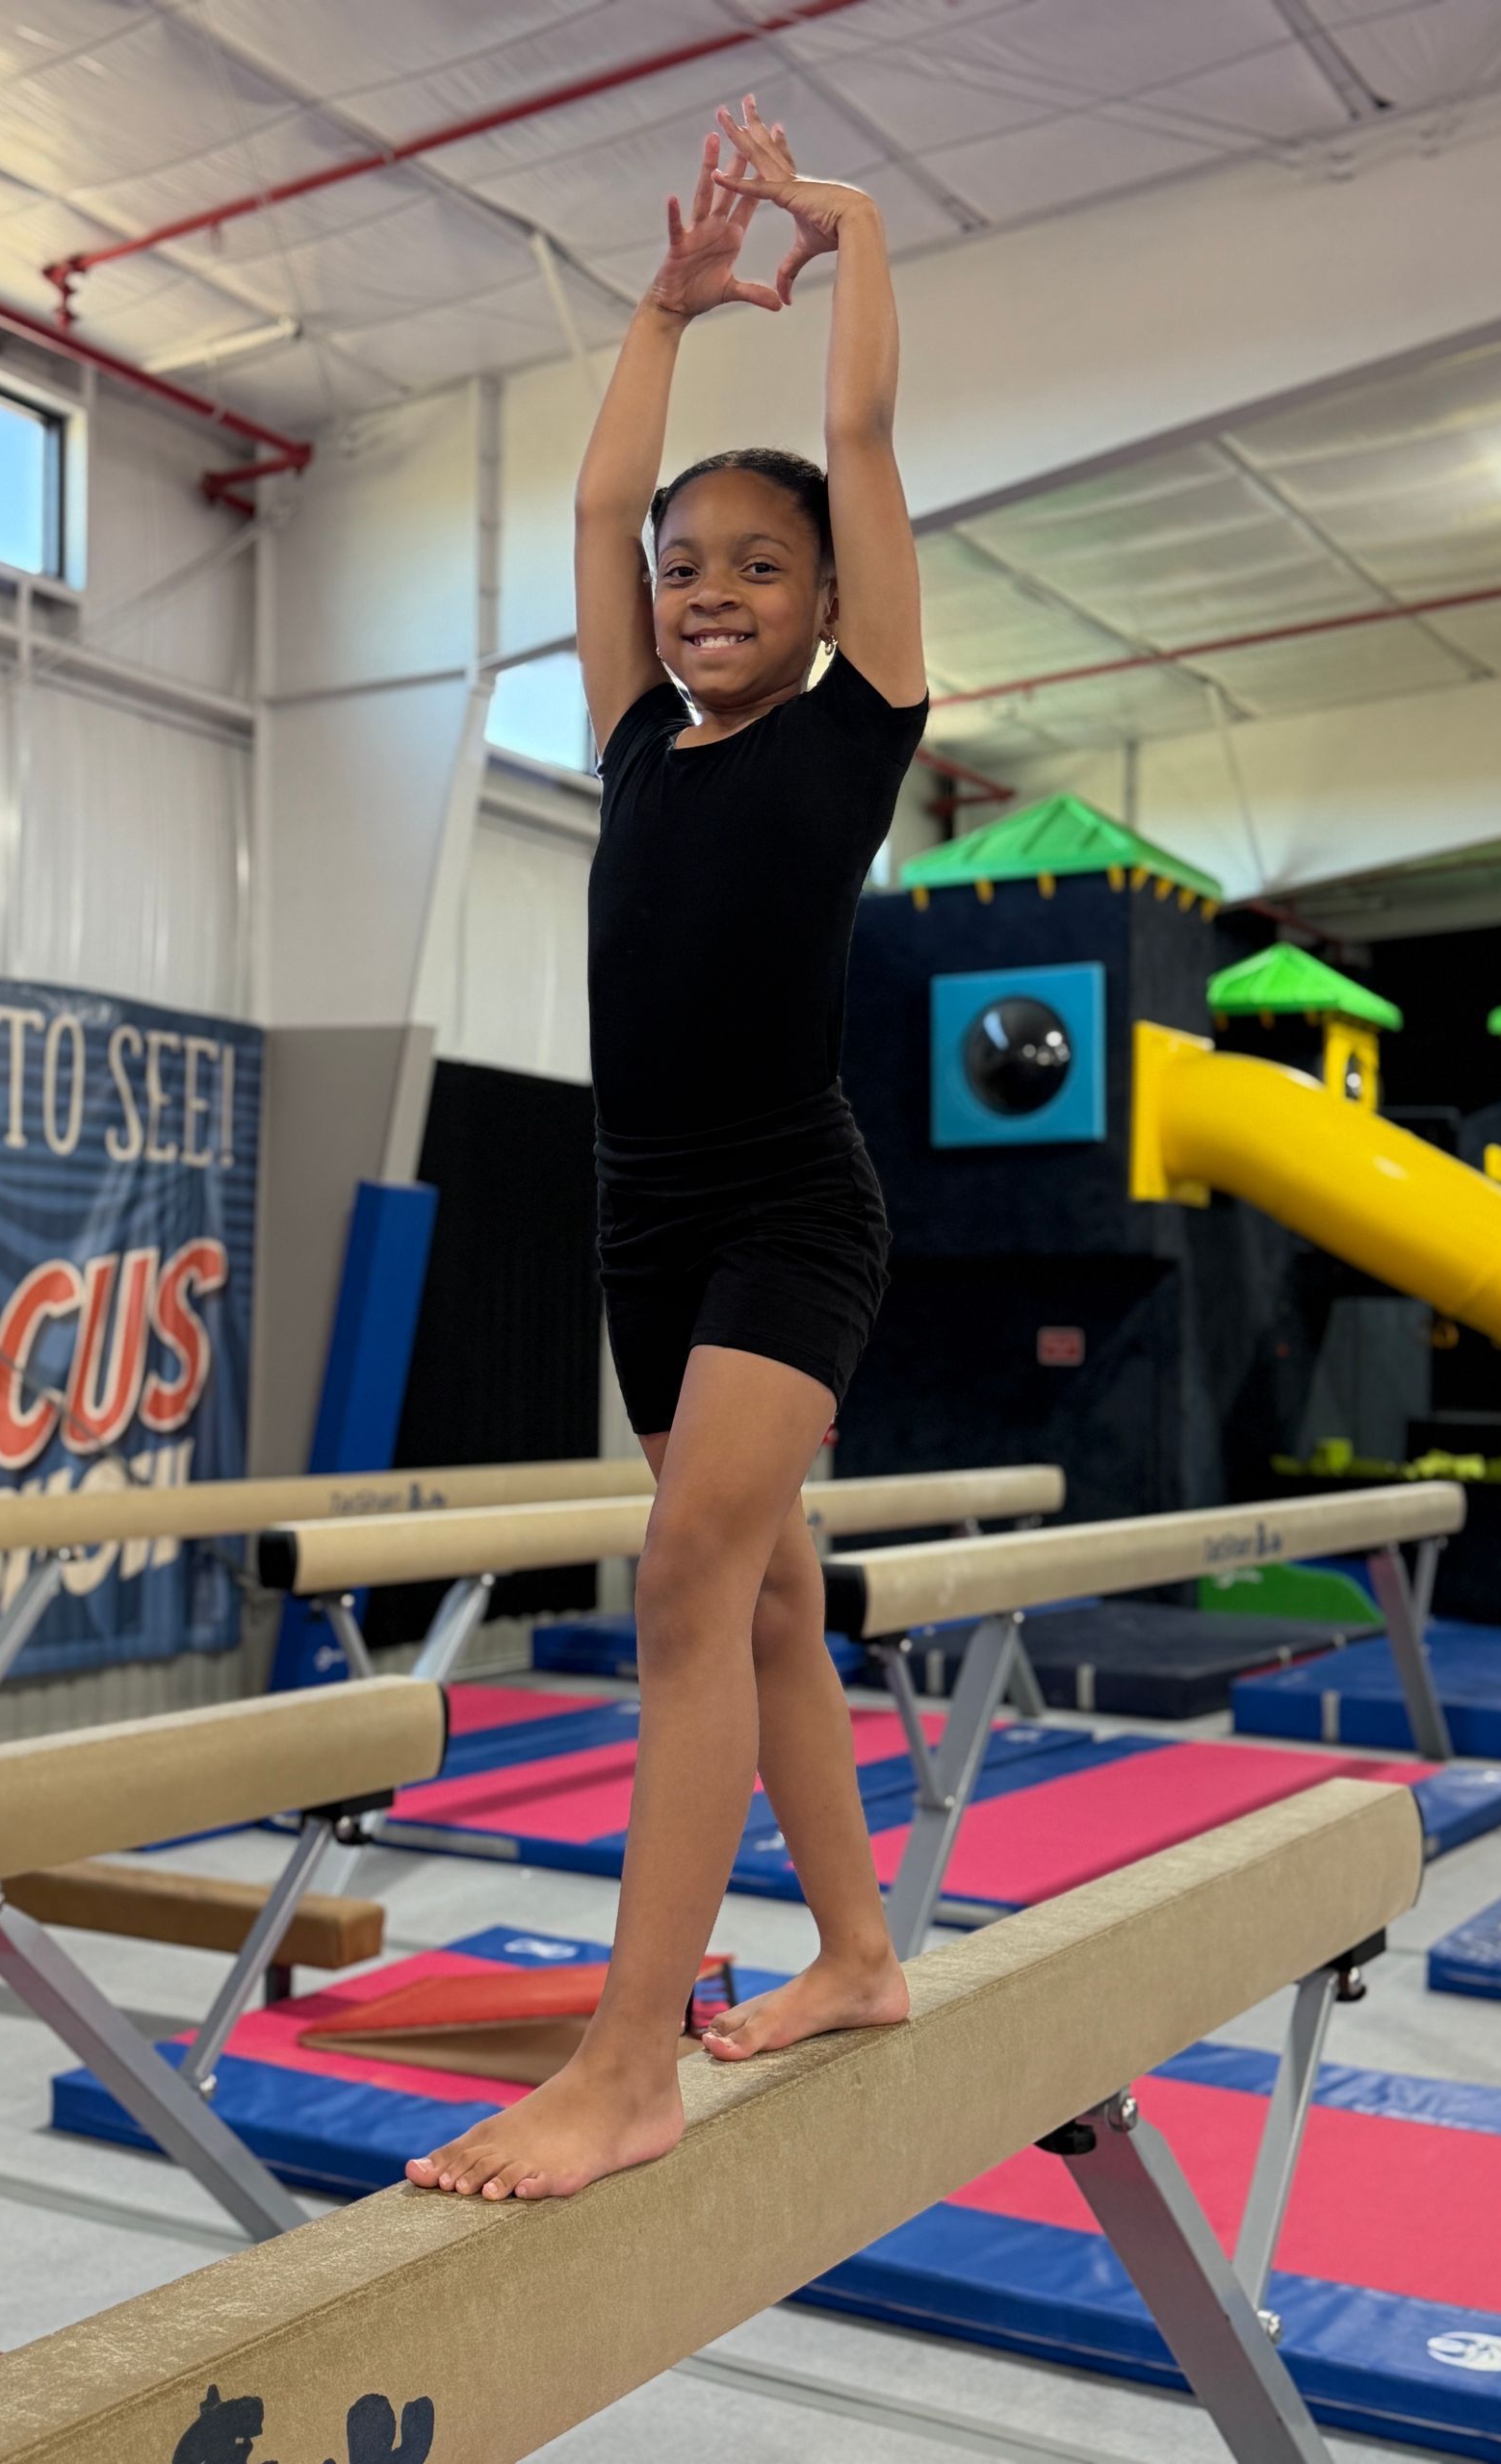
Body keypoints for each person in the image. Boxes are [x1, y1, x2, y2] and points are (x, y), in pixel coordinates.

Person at [407, 97, 928, 2204]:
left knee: (690, 1574)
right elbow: (612, 486)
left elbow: (868, 448)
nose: (706, 589)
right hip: (645, 1215)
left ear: (825, 605)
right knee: (776, 1599)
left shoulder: (856, 722)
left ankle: (628, 2063)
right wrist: (662, 301)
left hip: (793, 1203)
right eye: (689, 571)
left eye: (758, 567)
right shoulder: (634, 736)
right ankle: (863, 1955)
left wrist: (855, 229)